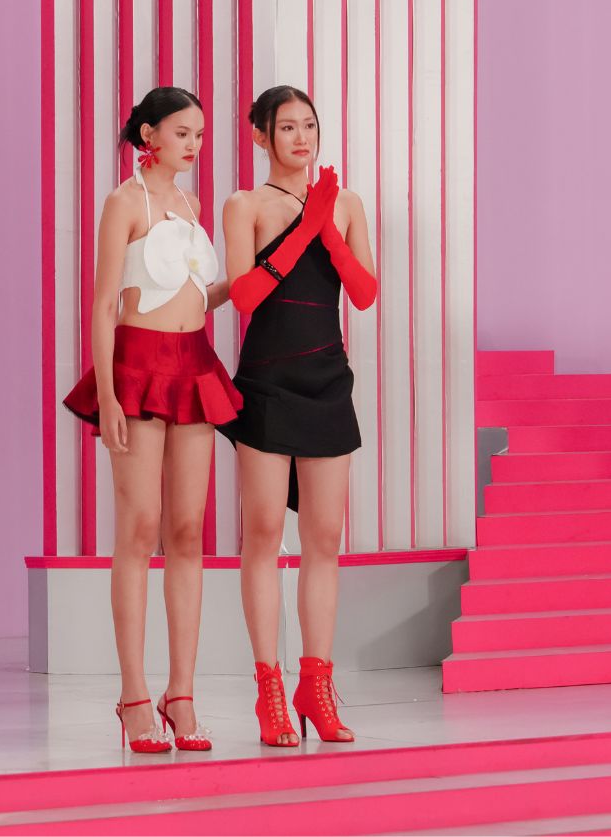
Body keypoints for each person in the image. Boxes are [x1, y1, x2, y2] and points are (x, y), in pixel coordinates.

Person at [61, 86, 240, 753]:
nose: (194, 144)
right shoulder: (123, 202)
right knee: (138, 530)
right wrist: (108, 396)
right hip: (137, 366)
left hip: (194, 364)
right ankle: (134, 694)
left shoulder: (192, 206)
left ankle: (181, 692)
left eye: (200, 134)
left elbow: (194, 295)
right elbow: (104, 303)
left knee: (188, 532)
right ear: (149, 135)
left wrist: (249, 278)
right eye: (183, 132)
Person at [218, 86, 378, 747]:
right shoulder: (245, 205)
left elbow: (364, 293)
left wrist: (327, 226)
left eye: (309, 125)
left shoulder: (346, 203)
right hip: (267, 384)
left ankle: (316, 684)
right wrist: (306, 227)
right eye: (286, 127)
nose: (302, 138)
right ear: (260, 135)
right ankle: (269, 691)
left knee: (324, 540)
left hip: (327, 383)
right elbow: (244, 295)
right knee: (262, 536)